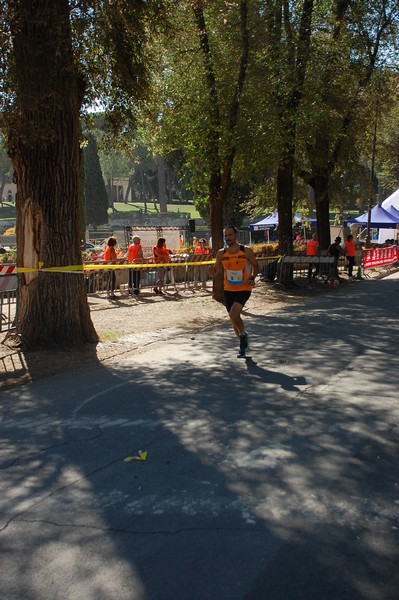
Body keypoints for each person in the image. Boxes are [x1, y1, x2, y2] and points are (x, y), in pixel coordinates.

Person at [208, 225, 259, 357]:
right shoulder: (221, 253)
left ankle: (243, 337)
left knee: (234, 313)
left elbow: (256, 265)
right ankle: (243, 345)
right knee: (233, 318)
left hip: (244, 287)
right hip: (228, 289)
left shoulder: (246, 251)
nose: (227, 238)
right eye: (225, 235)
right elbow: (215, 272)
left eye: (230, 235)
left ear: (235, 236)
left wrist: (253, 277)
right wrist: (212, 272)